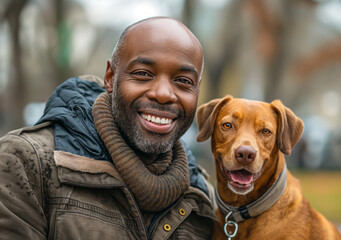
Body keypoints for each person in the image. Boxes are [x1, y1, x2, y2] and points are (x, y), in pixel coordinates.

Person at [0, 17, 216, 240]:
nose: (163, 93)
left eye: (183, 81)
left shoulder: (203, 200)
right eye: (143, 74)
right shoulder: (27, 163)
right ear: (111, 77)